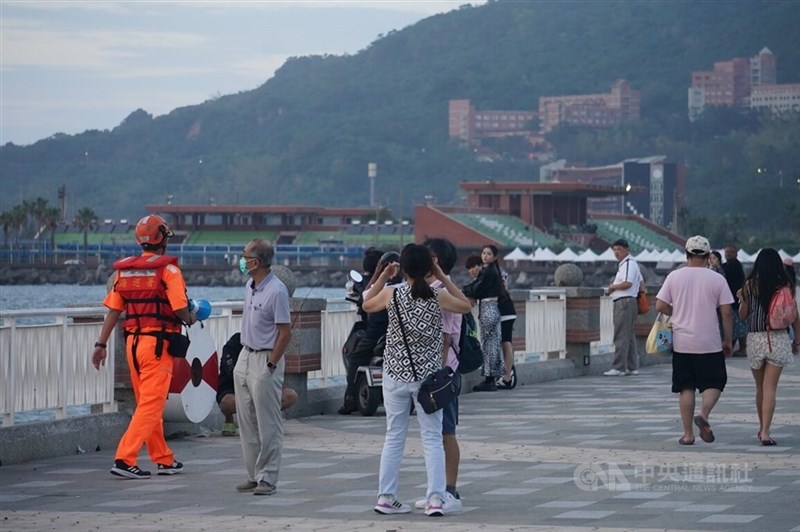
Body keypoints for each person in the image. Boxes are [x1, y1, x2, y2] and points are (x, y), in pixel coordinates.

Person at [362, 243, 471, 517]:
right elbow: (466, 306)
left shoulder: (391, 294)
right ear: (428, 268)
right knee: (432, 438)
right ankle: (435, 499)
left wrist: (383, 277)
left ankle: (386, 497)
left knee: (393, 437)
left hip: (395, 375)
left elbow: (365, 302)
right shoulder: (438, 296)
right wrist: (442, 276)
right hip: (428, 380)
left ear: (404, 269)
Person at [91, 214, 193, 479]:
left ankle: (163, 459)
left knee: (148, 402)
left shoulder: (124, 271)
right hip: (157, 346)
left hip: (132, 344)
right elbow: (181, 308)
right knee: (151, 404)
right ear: (163, 239)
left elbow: (114, 311)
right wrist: (193, 317)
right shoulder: (169, 271)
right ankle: (125, 459)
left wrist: (101, 344)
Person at [656, 235, 734, 446]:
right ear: (708, 256)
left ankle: (688, 434)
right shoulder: (717, 279)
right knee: (715, 382)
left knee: (686, 387)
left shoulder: (674, 276)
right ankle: (704, 414)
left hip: (682, 342)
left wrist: (676, 312)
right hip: (709, 342)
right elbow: (727, 313)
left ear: (687, 254)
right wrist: (728, 340)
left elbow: (660, 305)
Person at [234, 239, 292, 496]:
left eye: (244, 255)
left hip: (265, 358)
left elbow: (285, 332)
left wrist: (271, 364)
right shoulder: (250, 284)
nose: (241, 259)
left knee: (268, 421)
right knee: (246, 420)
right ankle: (253, 474)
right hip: (245, 355)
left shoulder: (277, 291)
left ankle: (268, 476)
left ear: (255, 262)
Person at [417, 237, 464, 513]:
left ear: (436, 262)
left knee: (445, 432)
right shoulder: (439, 288)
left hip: (443, 372)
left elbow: (445, 336)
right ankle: (440, 489)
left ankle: (449, 490)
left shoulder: (440, 291)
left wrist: (434, 370)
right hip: (444, 370)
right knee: (439, 433)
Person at [737, 248, 800, 446]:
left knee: (759, 386)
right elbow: (794, 316)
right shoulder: (785, 286)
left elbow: (743, 315)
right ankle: (765, 432)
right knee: (770, 387)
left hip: (755, 339)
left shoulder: (748, 286)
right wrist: (797, 340)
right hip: (778, 338)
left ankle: (761, 426)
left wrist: (742, 299)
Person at [217, 333, 298, 436]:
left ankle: (265, 419)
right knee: (228, 402)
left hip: (262, 385)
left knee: (291, 395)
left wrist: (269, 368)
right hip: (233, 385)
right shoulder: (233, 344)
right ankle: (229, 420)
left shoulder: (268, 345)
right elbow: (231, 371)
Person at [339, 247, 386, 414]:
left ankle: (350, 397)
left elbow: (364, 298)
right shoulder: (395, 283)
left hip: (375, 333)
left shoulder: (374, 285)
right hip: (391, 334)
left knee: (354, 357)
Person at [462, 245, 506, 391]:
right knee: (492, 343)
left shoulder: (489, 272)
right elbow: (475, 286)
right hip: (493, 308)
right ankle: (492, 376)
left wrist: (466, 292)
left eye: (489, 254)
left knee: (488, 344)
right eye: (484, 253)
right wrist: (469, 291)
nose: (485, 256)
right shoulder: (490, 271)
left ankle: (489, 379)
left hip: (489, 308)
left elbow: (477, 289)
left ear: (494, 257)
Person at [604, 239, 644, 376]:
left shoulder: (628, 263)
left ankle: (618, 367)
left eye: (619, 249)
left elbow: (628, 283)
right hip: (629, 301)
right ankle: (632, 366)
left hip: (624, 302)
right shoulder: (630, 264)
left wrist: (612, 287)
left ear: (627, 250)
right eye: (614, 250)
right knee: (629, 335)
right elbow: (641, 283)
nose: (616, 252)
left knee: (621, 334)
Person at [722, 244, 747, 354]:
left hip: (735, 298)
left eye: (731, 252)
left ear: (736, 254)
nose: (729, 254)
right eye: (727, 252)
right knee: (736, 325)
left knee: (738, 324)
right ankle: (736, 346)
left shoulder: (735, 265)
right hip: (731, 298)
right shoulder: (726, 265)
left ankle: (742, 348)